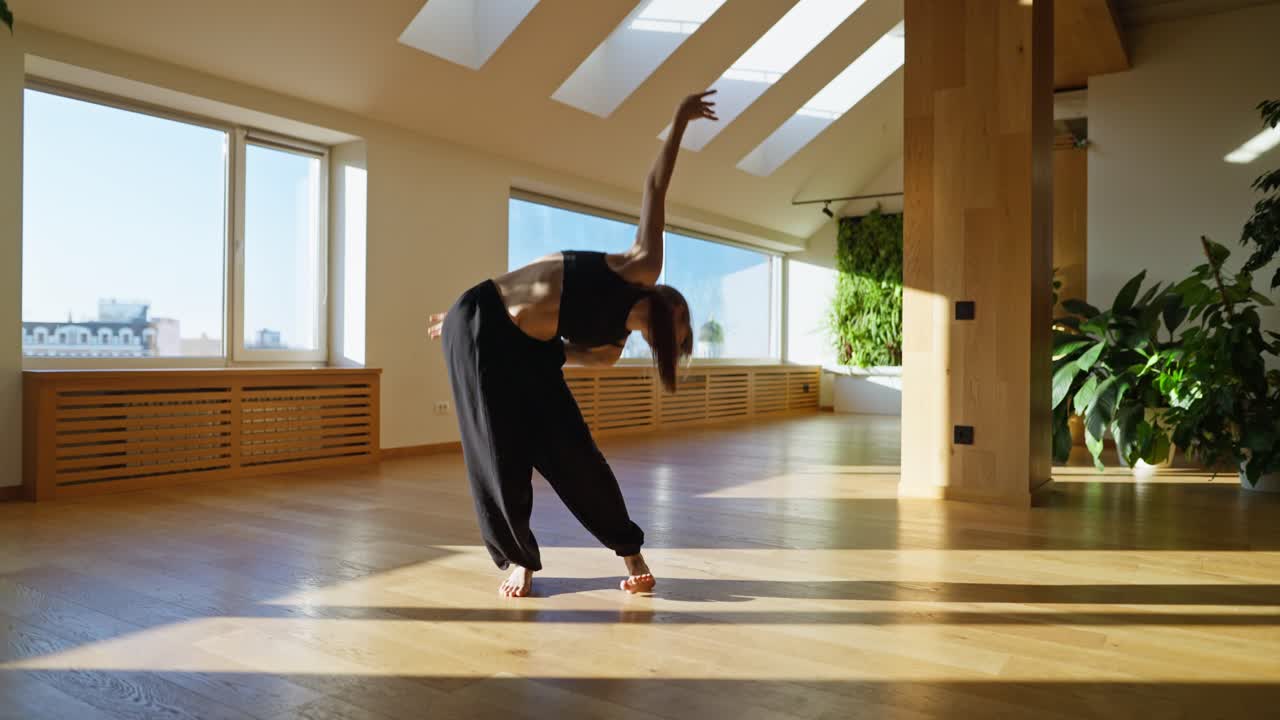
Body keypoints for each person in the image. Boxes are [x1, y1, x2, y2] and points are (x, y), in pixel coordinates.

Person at [427, 90, 717, 597]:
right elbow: (655, 184)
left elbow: (563, 356)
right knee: (498, 457)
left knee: (577, 457)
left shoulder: (610, 350)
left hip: (533, 355)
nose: (665, 341)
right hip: (483, 321)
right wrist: (679, 120)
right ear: (668, 310)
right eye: (678, 332)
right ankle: (522, 563)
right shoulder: (640, 266)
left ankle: (631, 554)